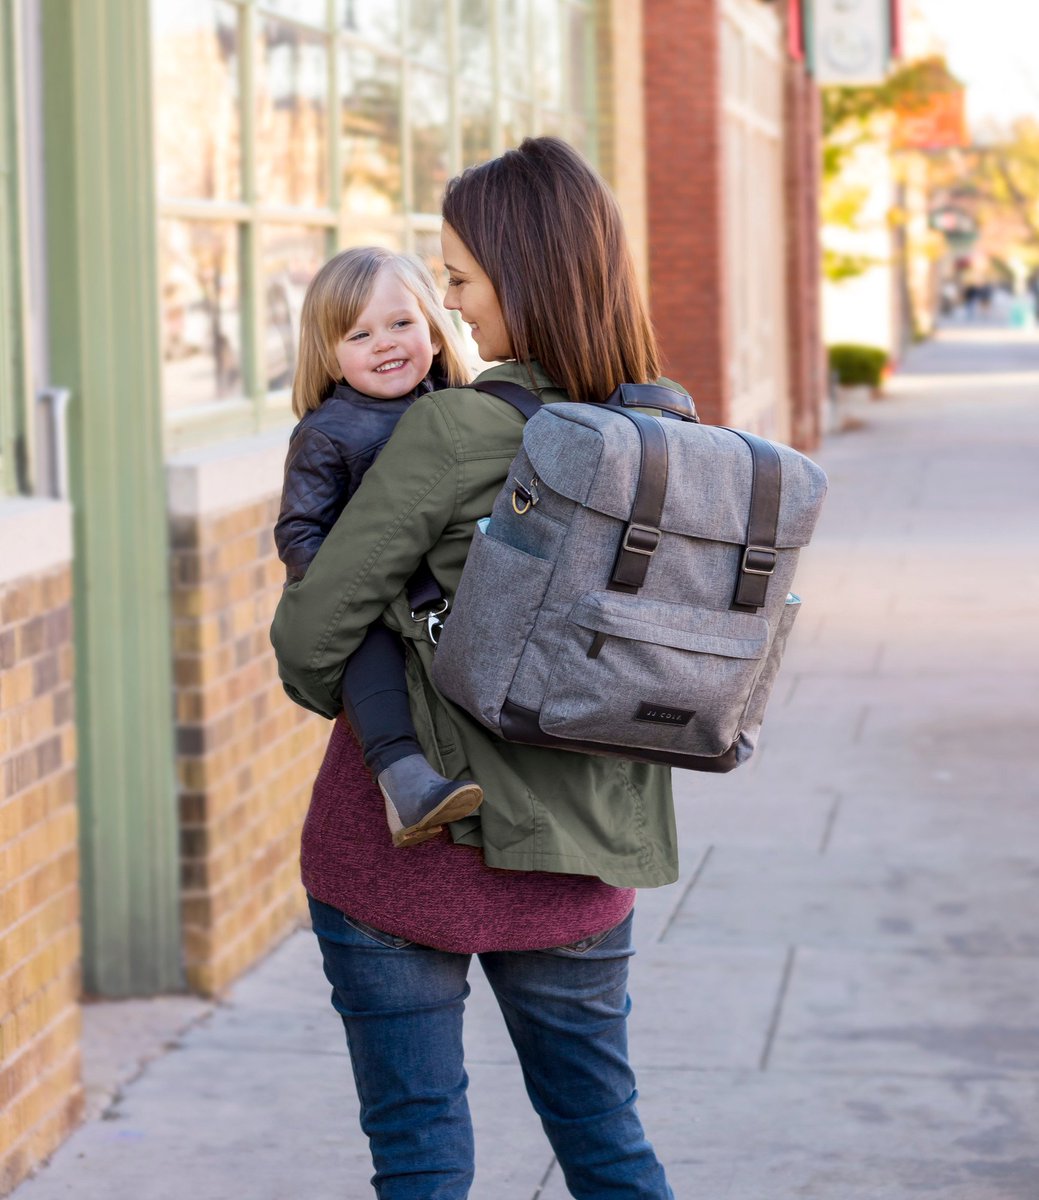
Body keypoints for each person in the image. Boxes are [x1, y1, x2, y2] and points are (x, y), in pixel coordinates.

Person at [271, 137, 677, 1199]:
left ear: (522, 275)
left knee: (421, 1159)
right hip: (587, 847)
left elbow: (308, 641)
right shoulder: (661, 428)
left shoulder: (453, 428)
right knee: (606, 1141)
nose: (452, 307)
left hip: (404, 851)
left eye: (456, 279)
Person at [274, 247, 484, 847]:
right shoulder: (326, 432)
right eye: (360, 333)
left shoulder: (461, 411)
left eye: (401, 324)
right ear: (331, 356)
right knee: (372, 655)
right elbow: (299, 528)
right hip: (368, 600)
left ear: (436, 335)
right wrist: (336, 591)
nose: (385, 343)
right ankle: (405, 778)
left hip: (444, 593)